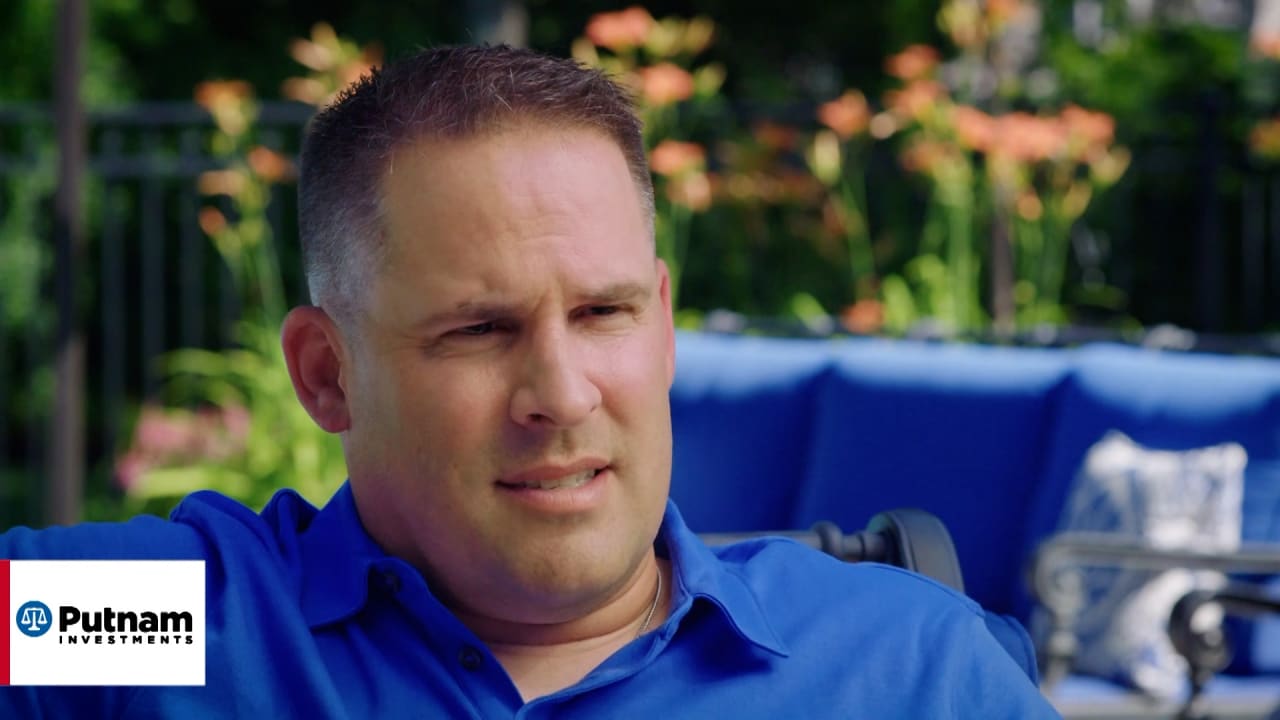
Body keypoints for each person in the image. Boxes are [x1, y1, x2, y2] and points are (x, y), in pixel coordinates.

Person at [1, 44, 1061, 717]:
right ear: (327, 376)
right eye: (477, 329)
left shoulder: (902, 670)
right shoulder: (175, 624)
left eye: (602, 314)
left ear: (661, 328)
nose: (560, 392)